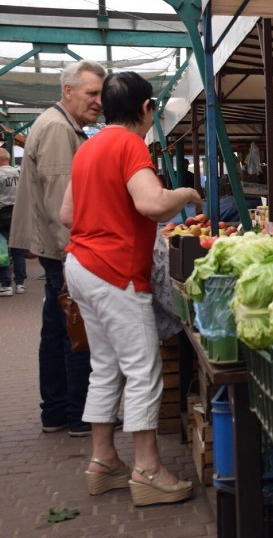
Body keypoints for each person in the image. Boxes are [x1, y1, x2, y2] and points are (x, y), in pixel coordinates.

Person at [60, 71, 201, 506]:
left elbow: (67, 213)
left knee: (106, 367)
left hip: (80, 265)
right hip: (113, 270)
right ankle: (148, 470)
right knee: (142, 369)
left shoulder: (89, 147)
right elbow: (152, 204)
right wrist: (186, 194)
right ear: (146, 109)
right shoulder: (128, 144)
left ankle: (103, 462)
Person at [9, 59, 106, 436]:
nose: (98, 101)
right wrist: (73, 257)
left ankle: (56, 411)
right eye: (91, 93)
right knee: (75, 331)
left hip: (53, 249)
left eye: (100, 93)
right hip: (61, 251)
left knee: (57, 329)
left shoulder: (60, 126)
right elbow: (62, 203)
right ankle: (79, 415)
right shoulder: (56, 130)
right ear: (67, 91)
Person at [0, 147, 27, 295]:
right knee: (18, 250)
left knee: (2, 250)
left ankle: (5, 284)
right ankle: (20, 283)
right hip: (18, 213)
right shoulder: (19, 172)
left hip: (2, 214)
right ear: (8, 159)